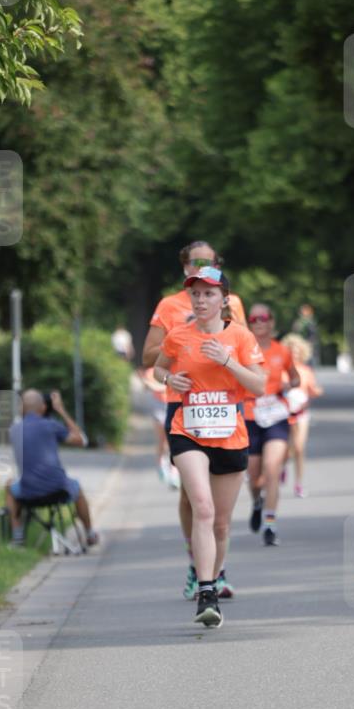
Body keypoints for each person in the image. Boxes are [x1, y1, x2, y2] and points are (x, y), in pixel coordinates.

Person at [153, 266, 264, 627]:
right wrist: (170, 379)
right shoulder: (179, 335)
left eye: (208, 294)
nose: (200, 300)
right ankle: (205, 591)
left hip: (230, 433)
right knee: (201, 506)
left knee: (220, 524)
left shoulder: (242, 337)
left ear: (224, 300)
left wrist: (228, 361)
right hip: (188, 430)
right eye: (196, 294)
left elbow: (259, 386)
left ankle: (213, 579)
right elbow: (157, 369)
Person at [142, 240, 247, 600]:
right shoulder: (170, 306)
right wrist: (184, 333)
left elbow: (244, 347)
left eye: (209, 261)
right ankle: (196, 565)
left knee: (217, 507)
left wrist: (217, 331)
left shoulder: (231, 303)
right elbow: (149, 357)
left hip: (224, 404)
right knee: (193, 497)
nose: (201, 265)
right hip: (183, 403)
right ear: (184, 266)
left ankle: (216, 568)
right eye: (195, 261)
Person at [6, 389, 99, 547]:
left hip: (28, 492)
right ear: (43, 407)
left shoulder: (14, 430)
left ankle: (17, 537)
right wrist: (60, 410)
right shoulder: (51, 425)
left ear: (21, 408)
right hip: (58, 490)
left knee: (9, 485)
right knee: (77, 487)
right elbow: (82, 440)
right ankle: (90, 533)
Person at [244, 304, 301, 546]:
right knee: (254, 474)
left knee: (271, 468)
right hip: (249, 415)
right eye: (254, 318)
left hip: (276, 415)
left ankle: (270, 523)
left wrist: (290, 384)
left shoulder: (282, 351)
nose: (259, 322)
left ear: (271, 322)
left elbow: (295, 376)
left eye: (263, 318)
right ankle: (257, 501)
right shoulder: (242, 351)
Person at [280, 334, 324, 497]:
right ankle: (283, 466)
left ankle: (298, 484)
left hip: (301, 413)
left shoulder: (306, 371)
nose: (295, 354)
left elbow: (311, 390)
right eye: (291, 351)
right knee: (284, 448)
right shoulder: (282, 370)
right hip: (283, 412)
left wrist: (317, 392)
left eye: (297, 351)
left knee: (299, 448)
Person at [136, 366, 180, 489]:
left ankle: (173, 470)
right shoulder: (153, 371)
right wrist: (167, 383)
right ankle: (161, 464)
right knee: (162, 441)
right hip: (158, 407)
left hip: (171, 406)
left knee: (172, 441)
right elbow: (149, 386)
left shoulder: (175, 368)